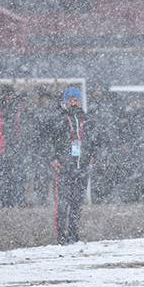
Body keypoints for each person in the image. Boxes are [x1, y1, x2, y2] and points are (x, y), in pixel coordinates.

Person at [50, 86, 96, 245]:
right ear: (65, 102)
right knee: (63, 203)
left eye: (76, 100)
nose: (74, 103)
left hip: (81, 167)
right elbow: (50, 141)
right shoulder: (59, 118)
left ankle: (74, 235)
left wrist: (92, 156)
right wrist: (54, 158)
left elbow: (94, 140)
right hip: (65, 167)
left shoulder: (86, 119)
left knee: (77, 203)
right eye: (71, 100)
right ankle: (61, 237)